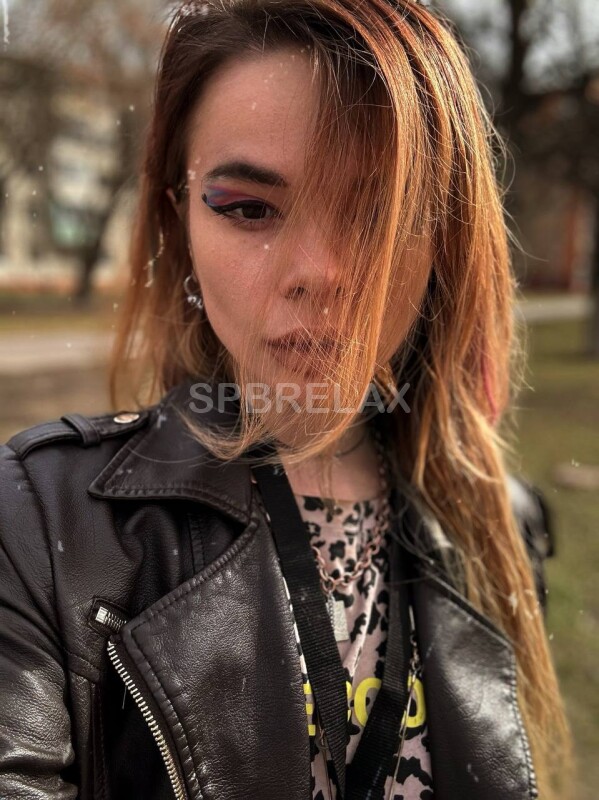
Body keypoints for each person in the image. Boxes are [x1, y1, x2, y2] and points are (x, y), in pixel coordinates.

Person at [0, 1, 573, 798]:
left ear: (444, 239)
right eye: (249, 209)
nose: (318, 272)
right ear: (178, 223)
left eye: (378, 213)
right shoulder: (39, 521)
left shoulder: (499, 525)